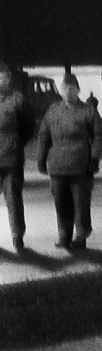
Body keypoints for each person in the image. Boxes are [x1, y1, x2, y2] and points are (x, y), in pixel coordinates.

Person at [35, 74, 102, 250]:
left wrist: (94, 158)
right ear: (61, 90)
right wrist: (41, 158)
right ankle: (64, 235)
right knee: (61, 203)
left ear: (78, 90)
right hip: (57, 166)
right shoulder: (53, 110)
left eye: (72, 88)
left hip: (80, 165)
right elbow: (43, 135)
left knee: (81, 203)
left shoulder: (88, 111)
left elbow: (98, 136)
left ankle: (80, 236)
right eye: (65, 88)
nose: (69, 92)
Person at [0, 65, 32, 252]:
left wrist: (16, 143)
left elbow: (28, 126)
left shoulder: (18, 100)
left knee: (13, 197)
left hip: (11, 158)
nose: (2, 80)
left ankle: (17, 235)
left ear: (9, 78)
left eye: (4, 76)